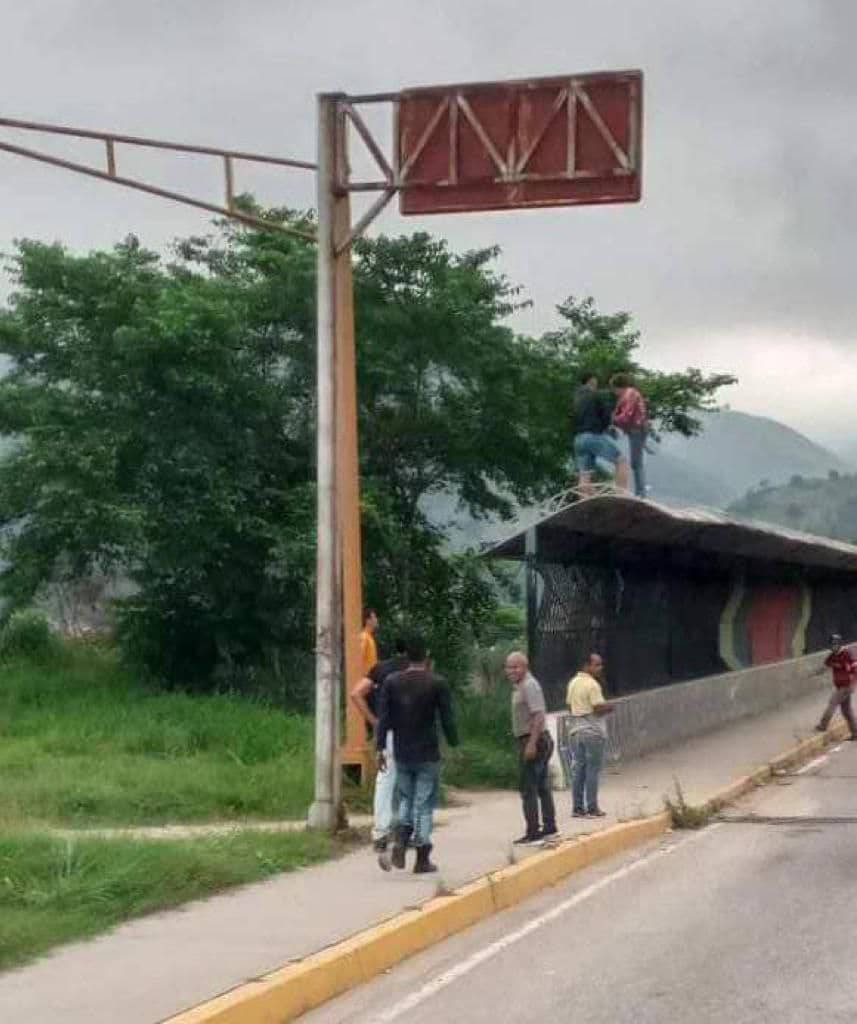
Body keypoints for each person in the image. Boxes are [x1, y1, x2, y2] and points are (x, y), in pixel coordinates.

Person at [376, 635, 458, 874]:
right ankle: (422, 856)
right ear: (427, 656)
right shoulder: (436, 683)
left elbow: (384, 719)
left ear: (406, 657)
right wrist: (454, 743)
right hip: (427, 753)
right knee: (423, 802)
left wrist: (380, 748)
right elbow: (447, 719)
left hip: (401, 751)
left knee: (405, 798)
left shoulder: (392, 682)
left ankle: (401, 841)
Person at [350, 636, 409, 854]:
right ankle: (405, 831)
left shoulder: (380, 669)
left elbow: (356, 693)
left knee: (385, 780)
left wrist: (375, 721)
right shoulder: (417, 671)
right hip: (412, 734)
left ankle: (381, 833)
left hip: (388, 734)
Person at [505, 651, 558, 845]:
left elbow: (538, 715)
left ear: (524, 667)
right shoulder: (520, 686)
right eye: (508, 667)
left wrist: (531, 743)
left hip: (533, 740)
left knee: (528, 788)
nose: (511, 671)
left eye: (515, 666)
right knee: (542, 785)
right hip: (531, 739)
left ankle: (534, 832)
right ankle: (550, 827)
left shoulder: (529, 685)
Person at [566, 652, 615, 817]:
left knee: (578, 770)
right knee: (592, 770)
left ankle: (577, 808)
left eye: (600, 664)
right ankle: (592, 807)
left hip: (575, 731)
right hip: (593, 733)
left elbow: (569, 706)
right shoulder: (592, 685)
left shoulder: (573, 683)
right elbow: (598, 708)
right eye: (597, 665)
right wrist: (609, 706)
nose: (600, 668)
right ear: (587, 666)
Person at [572, 372, 630, 497]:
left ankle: (584, 501)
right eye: (595, 382)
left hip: (578, 439)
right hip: (592, 436)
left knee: (584, 473)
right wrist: (609, 428)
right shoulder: (595, 395)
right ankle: (622, 496)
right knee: (621, 461)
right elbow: (606, 416)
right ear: (592, 381)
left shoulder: (576, 399)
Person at [611, 372, 649, 498]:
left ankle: (641, 493)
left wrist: (613, 419)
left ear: (618, 387)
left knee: (636, 463)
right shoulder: (627, 395)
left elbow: (626, 415)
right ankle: (640, 492)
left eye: (614, 389)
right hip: (635, 430)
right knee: (636, 462)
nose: (614, 393)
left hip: (637, 430)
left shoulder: (630, 394)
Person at [814, 634, 857, 739]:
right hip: (840, 686)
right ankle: (855, 733)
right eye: (831, 645)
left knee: (832, 702)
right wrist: (816, 672)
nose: (833, 647)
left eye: (835, 645)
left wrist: (853, 683)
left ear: (839, 644)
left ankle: (823, 725)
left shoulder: (847, 654)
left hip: (846, 685)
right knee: (846, 711)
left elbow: (855, 668)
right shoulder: (833, 656)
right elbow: (826, 665)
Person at [360, 608, 379, 677]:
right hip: (366, 678)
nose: (376, 620)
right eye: (374, 617)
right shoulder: (364, 637)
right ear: (368, 621)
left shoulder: (370, 637)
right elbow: (359, 658)